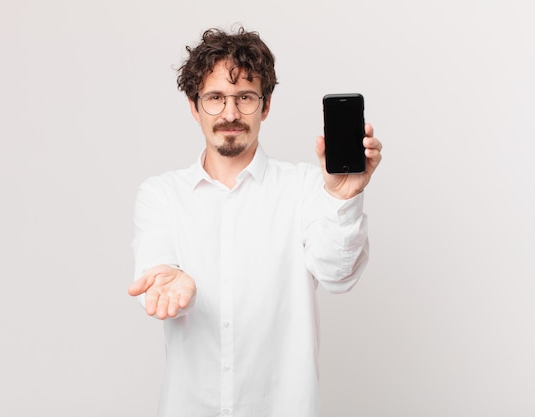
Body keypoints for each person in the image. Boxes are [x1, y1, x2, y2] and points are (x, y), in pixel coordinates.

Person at [128, 26, 382, 417]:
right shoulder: (161, 195)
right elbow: (158, 282)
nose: (230, 114)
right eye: (215, 98)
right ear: (194, 107)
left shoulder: (306, 189)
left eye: (245, 97)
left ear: (265, 106)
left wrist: (342, 198)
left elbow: (339, 276)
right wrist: (169, 284)